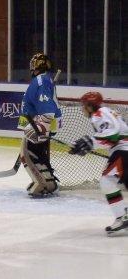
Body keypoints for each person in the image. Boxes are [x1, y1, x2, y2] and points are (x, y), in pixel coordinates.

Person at [70, 92, 128, 235]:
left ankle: (122, 216)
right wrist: (91, 143)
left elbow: (113, 135)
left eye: (84, 105)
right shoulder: (106, 112)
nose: (82, 108)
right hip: (122, 149)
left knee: (107, 181)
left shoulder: (99, 114)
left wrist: (90, 142)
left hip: (123, 150)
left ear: (90, 106)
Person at [17, 53, 62, 197]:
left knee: (28, 153)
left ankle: (43, 183)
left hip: (41, 122)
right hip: (37, 121)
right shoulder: (42, 79)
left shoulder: (41, 80)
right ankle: (48, 181)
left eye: (33, 65)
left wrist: (43, 126)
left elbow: (46, 106)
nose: (32, 68)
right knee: (37, 153)